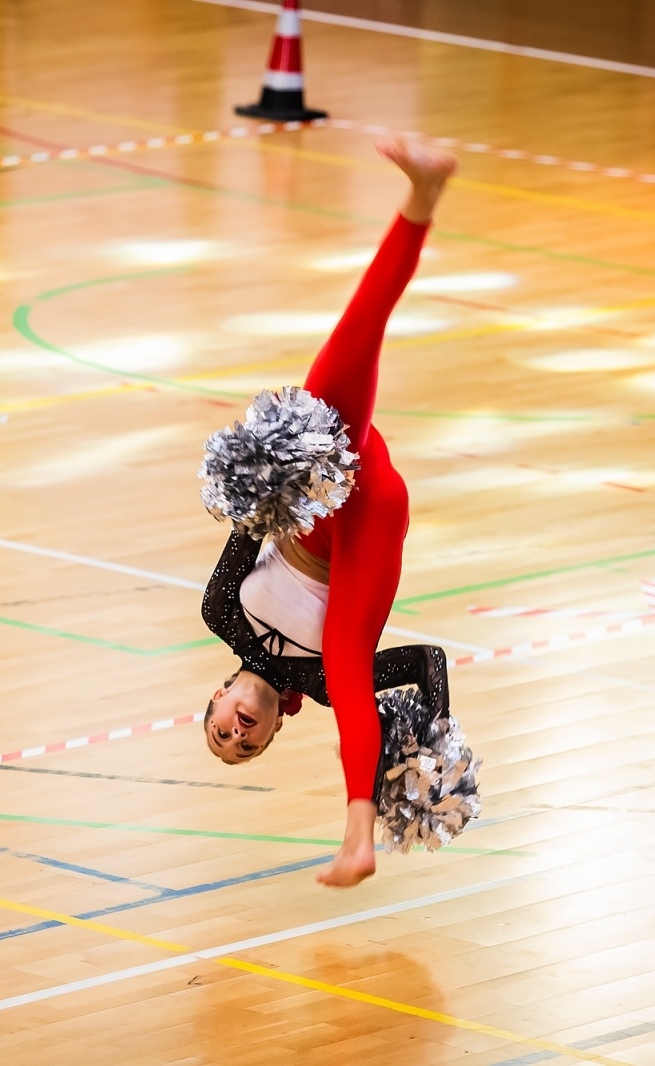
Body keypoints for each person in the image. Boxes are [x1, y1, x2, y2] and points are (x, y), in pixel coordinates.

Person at [200, 137, 457, 887]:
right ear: (274, 730)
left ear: (217, 696)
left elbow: (252, 519)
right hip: (367, 532)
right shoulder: (309, 686)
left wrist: (267, 457)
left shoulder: (222, 612)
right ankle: (358, 836)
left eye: (221, 732)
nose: (237, 733)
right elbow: (426, 663)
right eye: (246, 746)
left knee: (357, 334)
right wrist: (430, 742)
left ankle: (422, 195)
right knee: (346, 675)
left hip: (323, 489)